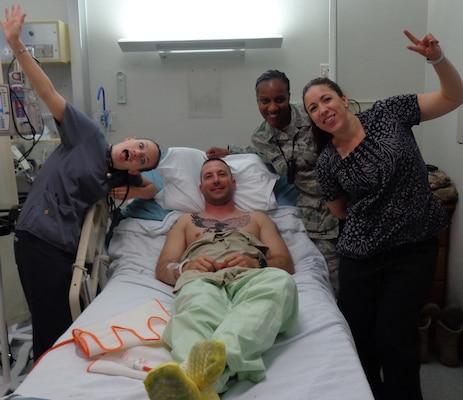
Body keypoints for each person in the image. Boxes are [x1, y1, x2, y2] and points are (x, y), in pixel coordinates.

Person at [301, 30, 463, 400]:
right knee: (360, 339)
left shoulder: (390, 113)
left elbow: (455, 96)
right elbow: (340, 210)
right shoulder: (327, 161)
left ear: (343, 99)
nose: (322, 109)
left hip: (412, 249)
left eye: (326, 98)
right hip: (360, 256)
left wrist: (436, 60)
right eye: (312, 107)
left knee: (395, 338)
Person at [0, 5, 162, 360]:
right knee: (53, 329)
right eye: (138, 146)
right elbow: (48, 95)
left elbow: (152, 189)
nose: (136, 153)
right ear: (128, 138)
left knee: (61, 326)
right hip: (40, 236)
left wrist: (143, 184)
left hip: (62, 246)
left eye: (143, 158)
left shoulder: (110, 181)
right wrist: (17, 47)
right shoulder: (88, 136)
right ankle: (46, 385)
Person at [147, 158, 298, 398]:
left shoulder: (258, 218)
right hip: (201, 278)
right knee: (196, 308)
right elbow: (164, 267)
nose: (216, 180)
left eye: (221, 174)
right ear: (200, 188)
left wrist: (257, 262)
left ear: (233, 182)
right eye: (208, 176)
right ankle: (208, 379)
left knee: (281, 283)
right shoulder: (185, 221)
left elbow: (286, 264)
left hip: (250, 276)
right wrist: (186, 267)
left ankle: (196, 382)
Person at [206, 70, 340, 295]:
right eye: (264, 101)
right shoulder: (261, 137)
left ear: (289, 96)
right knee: (336, 282)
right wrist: (230, 152)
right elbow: (260, 152)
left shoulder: (313, 116)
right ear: (257, 100)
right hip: (317, 215)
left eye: (280, 99)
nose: (272, 107)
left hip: (348, 199)